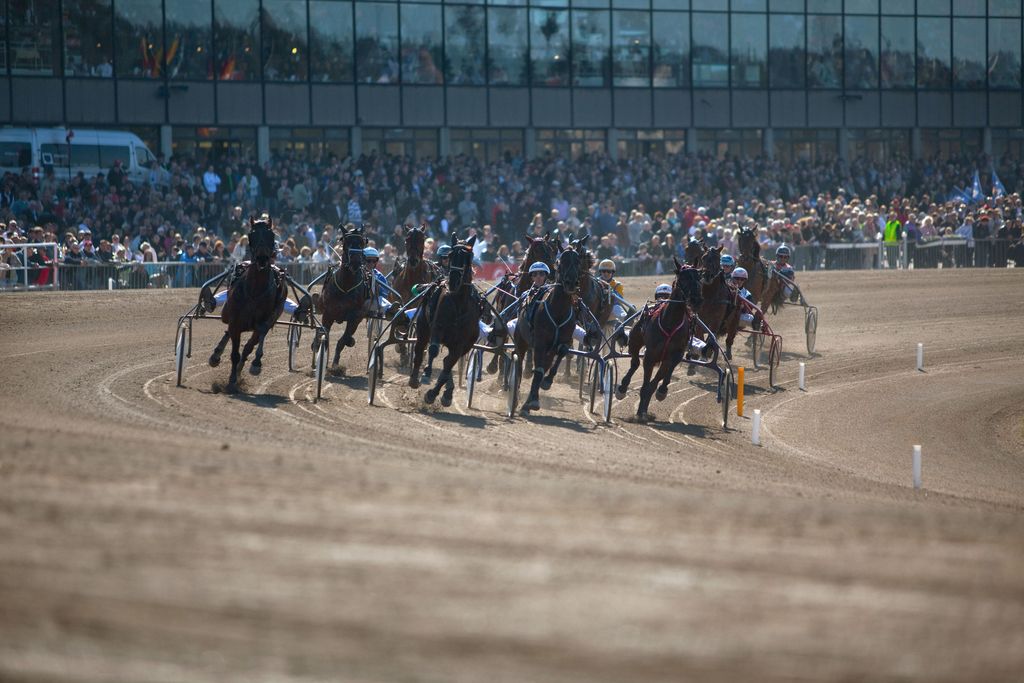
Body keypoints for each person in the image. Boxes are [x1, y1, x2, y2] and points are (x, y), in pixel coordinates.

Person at [729, 267, 764, 331]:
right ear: (732, 278)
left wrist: (742, 307)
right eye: (737, 278)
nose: (739, 281)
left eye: (742, 279)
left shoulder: (747, 294)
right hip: (725, 315)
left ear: (745, 280)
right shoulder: (726, 289)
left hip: (739, 316)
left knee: (751, 318)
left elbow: (749, 309)